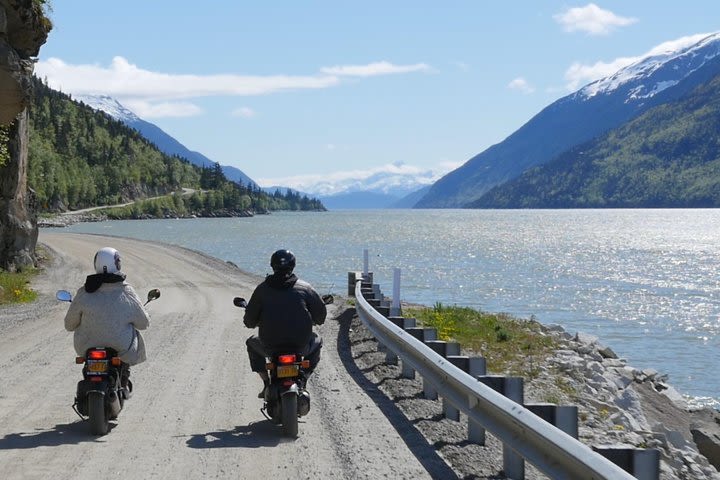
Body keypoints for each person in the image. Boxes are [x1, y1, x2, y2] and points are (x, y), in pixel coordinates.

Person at [64, 246, 151, 393]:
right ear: (117, 264)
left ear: (96, 264)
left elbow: (69, 325)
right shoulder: (126, 291)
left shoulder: (84, 292)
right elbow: (143, 324)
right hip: (120, 349)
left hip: (86, 348)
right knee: (135, 333)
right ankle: (124, 378)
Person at [244, 249, 327, 398]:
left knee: (251, 343)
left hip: (270, 346)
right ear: (293, 265)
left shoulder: (262, 289)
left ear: (272, 266)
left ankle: (266, 383)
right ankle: (304, 377)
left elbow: (249, 321)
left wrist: (255, 321)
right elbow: (320, 317)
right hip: (300, 345)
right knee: (318, 340)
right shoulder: (305, 288)